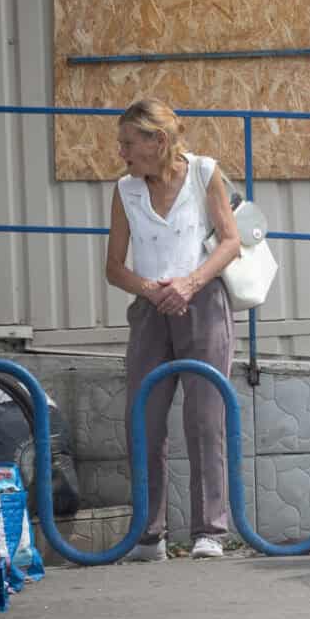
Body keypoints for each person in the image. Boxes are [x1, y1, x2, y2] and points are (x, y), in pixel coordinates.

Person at [105, 98, 241, 561]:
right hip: (149, 309)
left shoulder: (204, 173)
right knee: (143, 418)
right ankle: (149, 533)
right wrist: (150, 288)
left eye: (128, 143)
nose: (122, 152)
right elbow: (113, 266)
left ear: (157, 140)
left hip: (202, 303)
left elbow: (230, 241)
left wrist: (190, 283)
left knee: (204, 417)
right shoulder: (125, 190)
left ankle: (210, 530)